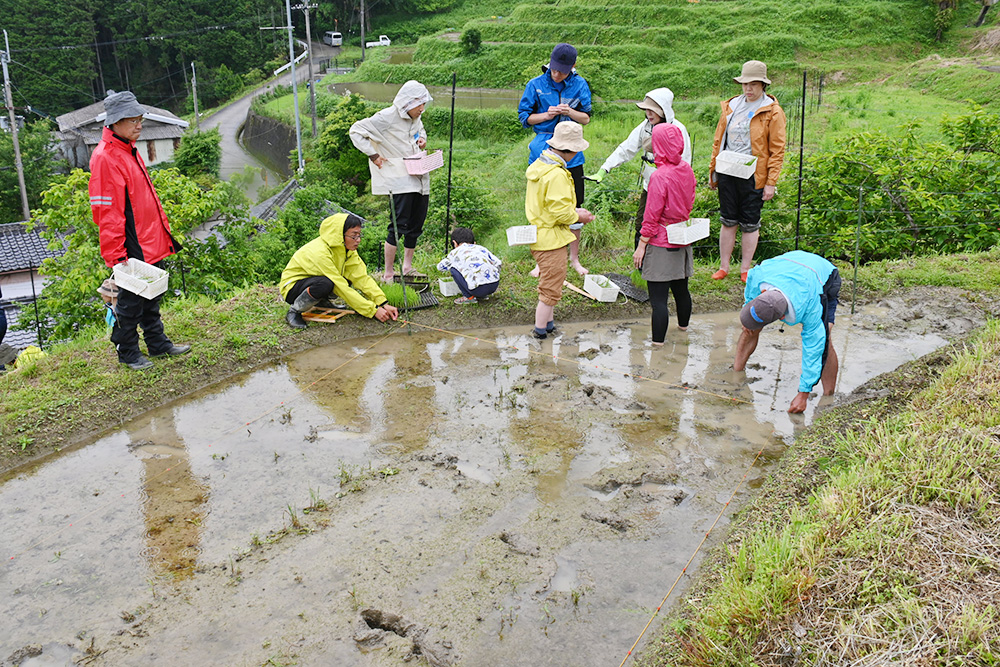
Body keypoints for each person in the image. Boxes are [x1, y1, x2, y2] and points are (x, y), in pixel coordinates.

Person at [89, 90, 190, 371]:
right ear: (115, 123)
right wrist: (116, 255)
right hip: (131, 239)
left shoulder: (128, 148)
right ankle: (128, 352)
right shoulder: (105, 157)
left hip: (148, 235)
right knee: (131, 300)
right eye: (132, 120)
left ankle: (157, 344)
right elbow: (107, 213)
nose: (139, 125)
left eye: (139, 118)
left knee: (151, 295)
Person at [733, 250, 841, 414]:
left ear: (783, 316)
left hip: (823, 277)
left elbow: (814, 348)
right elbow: (750, 292)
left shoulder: (811, 305)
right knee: (750, 329)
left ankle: (828, 398)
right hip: (788, 264)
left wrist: (803, 394)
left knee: (825, 338)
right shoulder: (758, 275)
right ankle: (736, 371)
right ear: (763, 293)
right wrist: (748, 309)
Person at [708, 60, 787, 283]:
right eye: (745, 84)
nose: (748, 89)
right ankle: (724, 267)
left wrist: (771, 181)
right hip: (727, 170)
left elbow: (777, 149)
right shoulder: (731, 106)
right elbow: (718, 141)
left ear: (763, 85)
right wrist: (713, 170)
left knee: (750, 222)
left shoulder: (773, 112)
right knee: (727, 219)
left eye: (754, 84)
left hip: (754, 175)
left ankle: (745, 269)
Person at [518, 43, 592, 276]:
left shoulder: (579, 85)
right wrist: (547, 115)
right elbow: (524, 118)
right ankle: (541, 261)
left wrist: (569, 112)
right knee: (541, 208)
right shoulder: (535, 85)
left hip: (572, 155)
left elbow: (586, 118)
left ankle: (574, 259)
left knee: (574, 206)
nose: (556, 74)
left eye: (562, 70)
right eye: (554, 69)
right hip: (543, 153)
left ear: (573, 67)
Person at [349, 80, 433, 283]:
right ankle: (388, 272)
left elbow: (419, 131)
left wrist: (422, 139)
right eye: (418, 105)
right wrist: (374, 155)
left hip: (420, 174)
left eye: (424, 104)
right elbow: (356, 131)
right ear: (406, 103)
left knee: (416, 224)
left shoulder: (416, 117)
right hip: (400, 179)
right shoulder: (387, 117)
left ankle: (407, 267)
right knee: (398, 225)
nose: (422, 109)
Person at [589, 88, 692, 248]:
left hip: (672, 189)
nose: (648, 114)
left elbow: (685, 162)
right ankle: (642, 265)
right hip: (650, 185)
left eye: (652, 111)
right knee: (642, 224)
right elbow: (626, 148)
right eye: (646, 110)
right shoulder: (646, 126)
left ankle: (667, 265)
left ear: (664, 111)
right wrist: (604, 169)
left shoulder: (679, 129)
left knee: (670, 226)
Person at [526, 121, 595, 340]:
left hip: (541, 233)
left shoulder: (541, 165)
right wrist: (578, 216)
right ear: (573, 150)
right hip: (551, 239)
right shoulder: (556, 174)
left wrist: (571, 210)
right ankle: (540, 332)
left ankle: (549, 325)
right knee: (550, 288)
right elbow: (559, 213)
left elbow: (551, 205)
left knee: (552, 281)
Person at [632, 123, 697, 345]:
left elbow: (651, 215)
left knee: (659, 300)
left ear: (659, 146)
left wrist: (642, 245)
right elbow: (690, 200)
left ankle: (657, 347)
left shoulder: (660, 176)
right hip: (682, 236)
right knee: (681, 290)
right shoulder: (686, 169)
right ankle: (683, 329)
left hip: (661, 242)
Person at [280, 212, 399, 328]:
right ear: (340, 235)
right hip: (292, 288)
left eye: (359, 235)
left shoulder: (347, 250)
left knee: (346, 278)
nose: (358, 240)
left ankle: (322, 301)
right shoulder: (320, 252)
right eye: (354, 236)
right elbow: (339, 286)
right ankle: (294, 311)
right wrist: (372, 310)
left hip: (315, 281)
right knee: (327, 283)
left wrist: (383, 303)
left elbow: (361, 278)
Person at [436, 227, 502, 305]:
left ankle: (469, 297)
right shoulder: (481, 248)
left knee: (453, 269)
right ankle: (483, 295)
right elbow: (498, 262)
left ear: (454, 243)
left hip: (477, 289)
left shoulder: (455, 252)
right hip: (494, 286)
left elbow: (440, 267)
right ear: (474, 243)